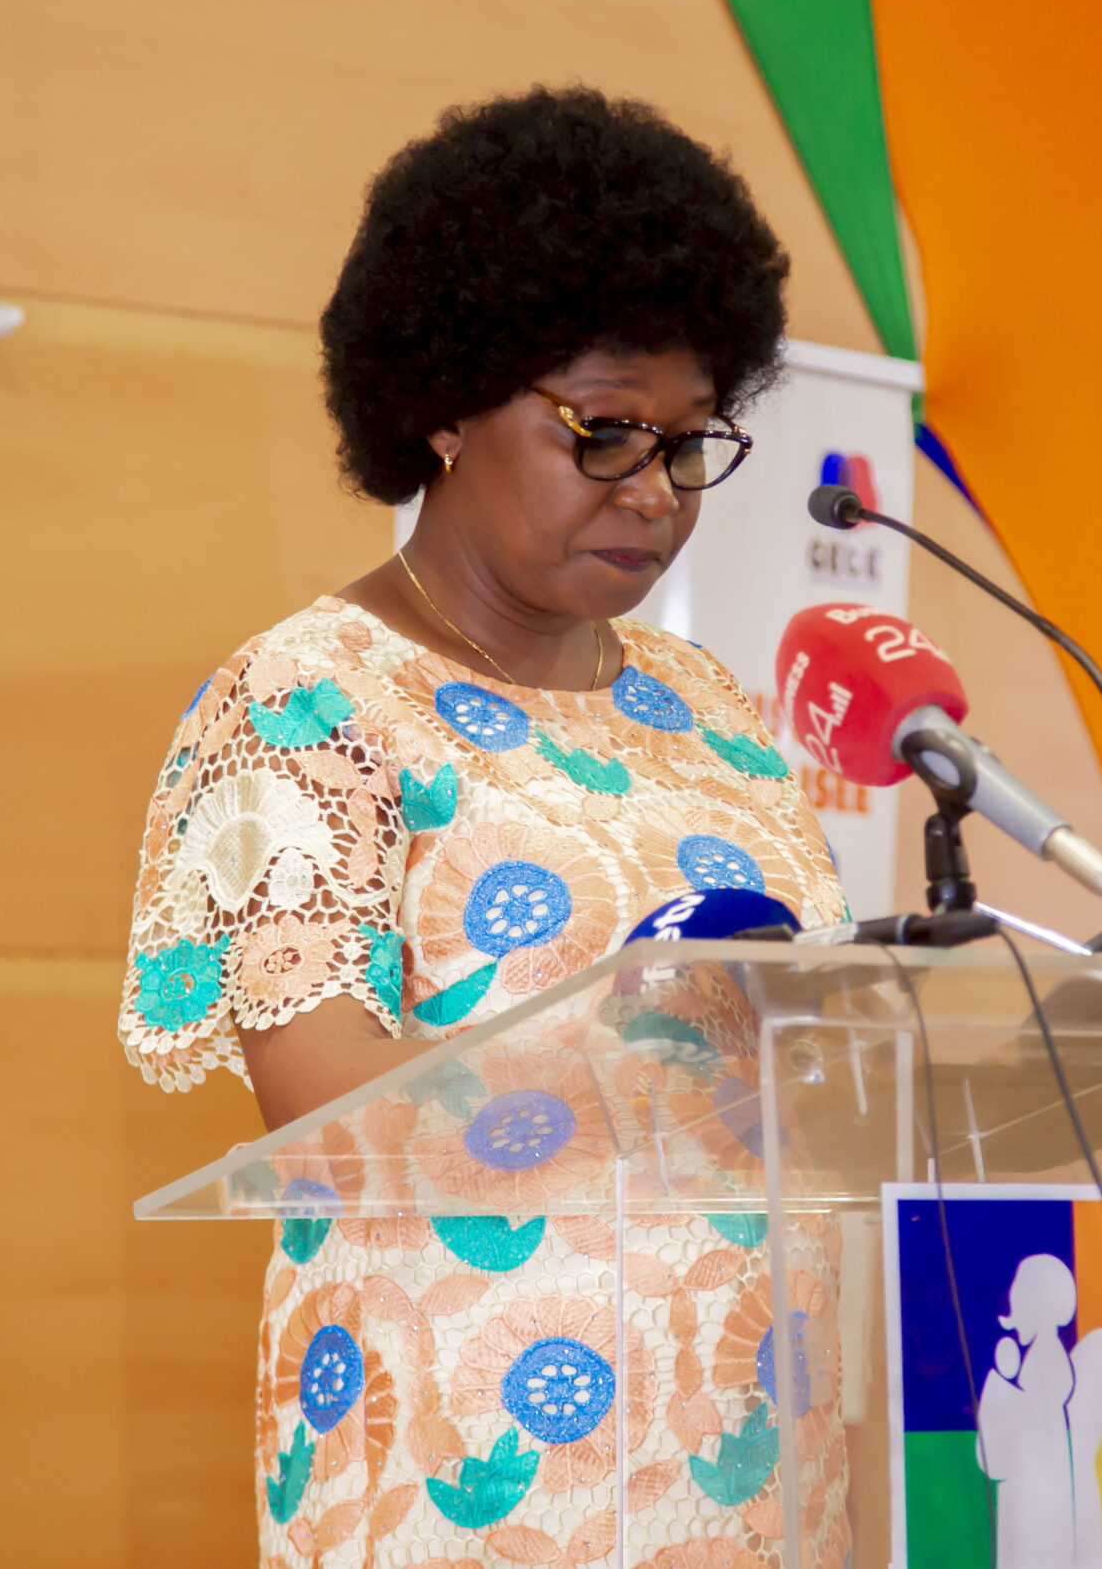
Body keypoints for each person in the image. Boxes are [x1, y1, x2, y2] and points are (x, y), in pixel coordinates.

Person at [117, 87, 851, 1567]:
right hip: (470, 1476)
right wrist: (639, 1034)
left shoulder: (709, 706)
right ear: (445, 404)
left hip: (761, 1475)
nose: (655, 495)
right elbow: (318, 1113)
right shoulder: (309, 699)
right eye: (605, 434)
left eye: (689, 444)